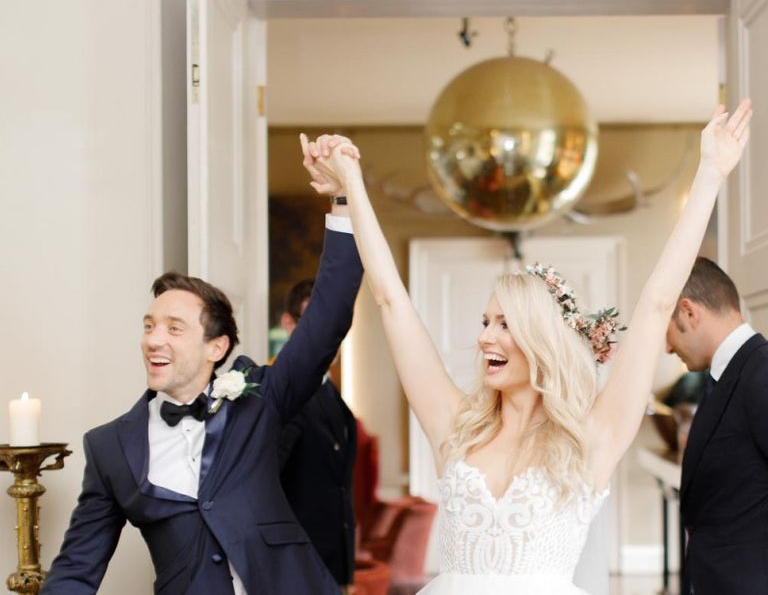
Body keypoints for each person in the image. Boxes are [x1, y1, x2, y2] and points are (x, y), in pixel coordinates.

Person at [299, 99, 752, 595]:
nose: (485, 337)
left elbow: (655, 304)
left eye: (505, 324)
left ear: (542, 343)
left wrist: (710, 173)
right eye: (485, 321)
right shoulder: (455, 427)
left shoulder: (591, 439)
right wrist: (350, 189)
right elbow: (390, 300)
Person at [41, 189, 363, 594]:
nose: (154, 340)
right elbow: (76, 568)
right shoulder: (110, 448)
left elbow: (328, 313)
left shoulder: (260, 401)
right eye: (149, 326)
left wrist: (342, 200)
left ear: (217, 347)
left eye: (174, 328)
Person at [666, 257, 768, 595]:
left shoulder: (761, 372)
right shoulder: (723, 375)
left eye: (666, 330)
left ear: (689, 312)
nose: (667, 348)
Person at [277, 278, 358, 591]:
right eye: (316, 321)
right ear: (288, 324)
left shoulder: (329, 391)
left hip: (334, 564)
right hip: (296, 567)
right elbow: (263, 480)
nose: (330, 333)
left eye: (336, 322)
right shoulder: (284, 395)